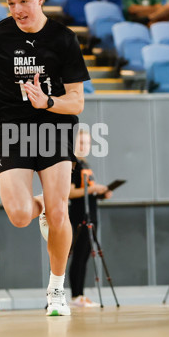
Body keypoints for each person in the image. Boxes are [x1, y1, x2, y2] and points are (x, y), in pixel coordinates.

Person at [0, 0, 90, 316]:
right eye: (10, 3)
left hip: (53, 126)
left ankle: (56, 290)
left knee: (60, 210)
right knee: (20, 216)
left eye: (23, 2)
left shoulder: (63, 39)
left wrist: (46, 102)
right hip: (9, 127)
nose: (17, 9)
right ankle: (44, 204)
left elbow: (76, 102)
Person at [68, 129, 112, 308]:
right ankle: (75, 295)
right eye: (81, 142)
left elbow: (89, 191)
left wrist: (102, 193)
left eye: (86, 143)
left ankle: (81, 294)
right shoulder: (73, 165)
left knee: (85, 255)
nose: (84, 146)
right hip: (79, 216)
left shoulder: (86, 164)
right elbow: (70, 192)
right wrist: (93, 190)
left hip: (91, 215)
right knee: (78, 255)